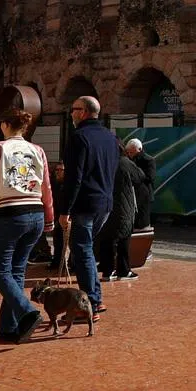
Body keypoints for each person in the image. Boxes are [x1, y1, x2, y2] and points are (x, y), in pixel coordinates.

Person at [0, 108, 55, 343]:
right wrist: (50, 216)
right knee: (16, 271)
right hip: (35, 213)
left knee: (0, 272)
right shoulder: (38, 150)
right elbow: (46, 187)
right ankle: (8, 327)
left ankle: (28, 311)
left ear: (4, 125)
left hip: (9, 215)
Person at [56, 96, 118, 316]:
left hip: (84, 204)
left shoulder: (79, 138)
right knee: (87, 249)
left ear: (83, 112)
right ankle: (95, 299)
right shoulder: (110, 138)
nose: (71, 114)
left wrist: (65, 211)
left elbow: (75, 178)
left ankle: (89, 302)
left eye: (73, 110)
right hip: (105, 203)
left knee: (82, 251)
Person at [98, 141, 145, 282]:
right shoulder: (124, 162)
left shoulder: (102, 161)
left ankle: (107, 271)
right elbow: (140, 177)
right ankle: (123, 271)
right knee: (124, 239)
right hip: (123, 207)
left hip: (105, 206)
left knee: (107, 239)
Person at [125, 138, 156, 233]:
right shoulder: (129, 160)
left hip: (144, 194)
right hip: (132, 194)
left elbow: (150, 177)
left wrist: (136, 176)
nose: (130, 154)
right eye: (129, 152)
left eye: (132, 152)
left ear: (139, 149)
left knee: (143, 222)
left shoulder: (148, 160)